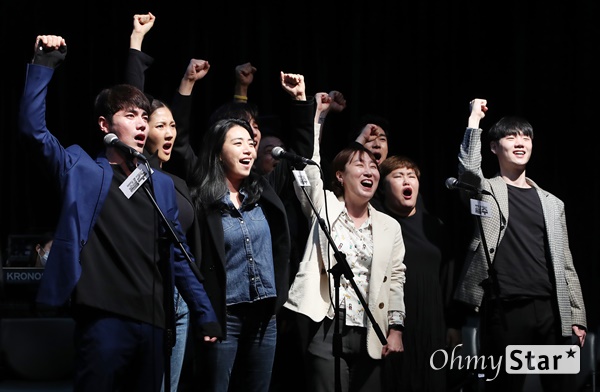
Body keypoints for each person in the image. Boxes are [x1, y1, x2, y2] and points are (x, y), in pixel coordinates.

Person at [18, 34, 221, 392]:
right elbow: (34, 131)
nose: (142, 124)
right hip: (104, 321)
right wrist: (44, 63)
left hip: (156, 324)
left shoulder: (159, 185)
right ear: (104, 125)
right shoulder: (82, 168)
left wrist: (203, 311)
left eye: (145, 117)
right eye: (131, 116)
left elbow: (177, 252)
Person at [453, 98, 587, 392]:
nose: (520, 142)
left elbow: (566, 261)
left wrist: (577, 316)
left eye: (526, 137)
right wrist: (474, 120)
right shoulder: (486, 190)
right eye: (511, 136)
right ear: (494, 147)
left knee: (560, 387)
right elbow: (467, 171)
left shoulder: (553, 203)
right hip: (506, 309)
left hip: (552, 312)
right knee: (505, 386)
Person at [284, 126, 407, 391]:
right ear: (340, 176)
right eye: (359, 165)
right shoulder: (326, 206)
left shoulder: (389, 226)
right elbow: (309, 166)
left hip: (372, 328)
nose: (369, 171)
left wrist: (396, 329)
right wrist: (316, 118)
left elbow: (396, 278)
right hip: (328, 325)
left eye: (373, 166)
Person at [126, 13, 208, 391]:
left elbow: (186, 132)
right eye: (160, 125)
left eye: (172, 125)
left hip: (178, 296)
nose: (169, 131)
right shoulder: (135, 170)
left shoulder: (176, 179)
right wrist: (137, 42)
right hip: (143, 292)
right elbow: (132, 98)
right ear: (143, 132)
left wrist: (188, 84)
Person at [184, 117, 291, 392]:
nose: (248, 150)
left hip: (265, 315)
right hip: (225, 316)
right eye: (238, 143)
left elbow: (299, 148)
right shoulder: (202, 202)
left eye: (251, 144)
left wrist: (303, 104)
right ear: (219, 153)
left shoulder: (262, 192)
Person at [378, 155, 461, 392]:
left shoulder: (434, 226)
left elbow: (449, 276)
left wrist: (453, 324)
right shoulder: (380, 225)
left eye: (411, 176)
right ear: (383, 186)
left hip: (433, 321)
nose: (407, 180)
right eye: (398, 176)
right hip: (393, 323)